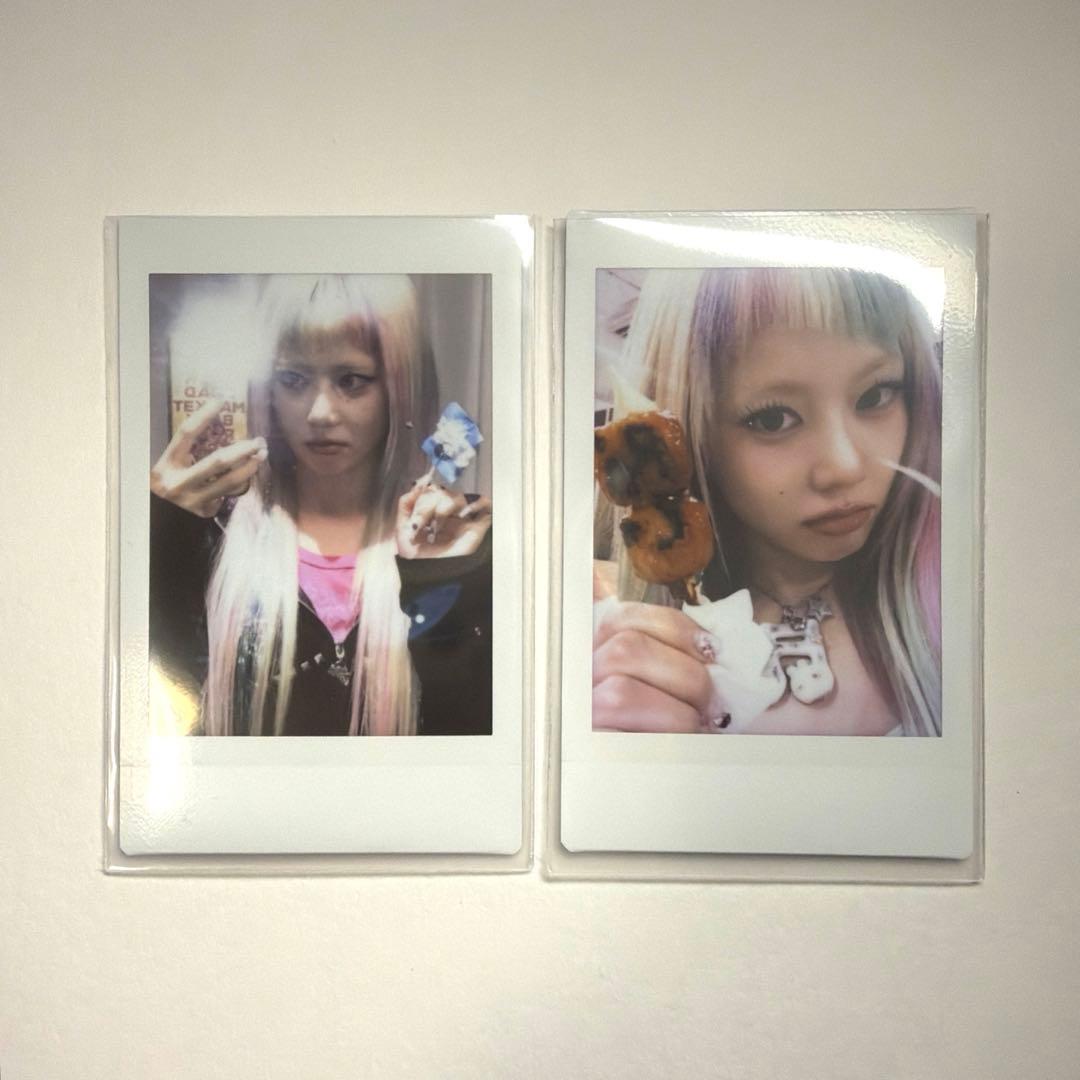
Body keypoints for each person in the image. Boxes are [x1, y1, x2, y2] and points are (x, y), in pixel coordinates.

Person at [593, 267, 942, 736]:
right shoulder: (606, 661)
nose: (844, 467)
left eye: (875, 396)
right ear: (689, 431)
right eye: (773, 419)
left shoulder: (972, 610)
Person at [149, 275, 493, 736]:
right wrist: (160, 536)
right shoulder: (211, 536)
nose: (320, 414)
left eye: (351, 381)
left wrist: (444, 580)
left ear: (400, 386)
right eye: (293, 380)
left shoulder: (463, 541)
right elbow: (157, 718)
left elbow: (473, 740)